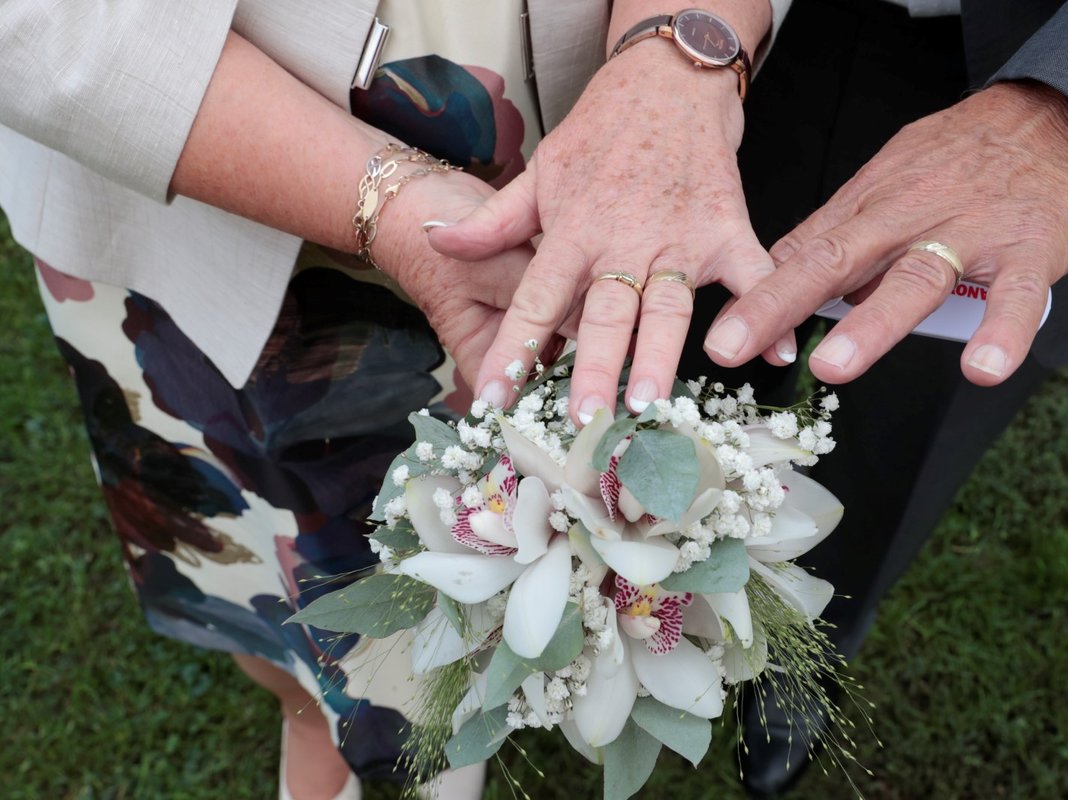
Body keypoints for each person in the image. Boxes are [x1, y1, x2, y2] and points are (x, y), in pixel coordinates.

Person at [0, 1, 794, 799]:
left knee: (515, 532)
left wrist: (679, 43)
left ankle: (444, 720)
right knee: (259, 559)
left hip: (575, 155)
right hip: (198, 171)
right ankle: (309, 708)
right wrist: (391, 204)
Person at [429, 0, 1068, 797]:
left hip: (1035, 45)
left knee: (900, 443)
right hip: (762, 49)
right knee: (670, 373)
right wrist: (685, 39)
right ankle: (660, 608)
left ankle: (804, 648)